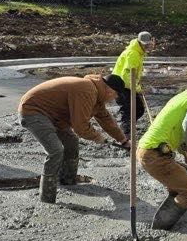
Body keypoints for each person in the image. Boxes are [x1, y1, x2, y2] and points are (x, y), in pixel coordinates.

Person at [18, 73, 129, 204]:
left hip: (54, 117)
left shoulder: (96, 94)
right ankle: (47, 197)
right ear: (109, 90)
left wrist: (124, 140)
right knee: (56, 151)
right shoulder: (87, 90)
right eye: (116, 95)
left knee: (71, 142)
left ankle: (68, 181)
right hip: (34, 112)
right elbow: (80, 127)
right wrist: (96, 136)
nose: (114, 99)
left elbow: (106, 120)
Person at [139, 74, 187, 230]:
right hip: (156, 155)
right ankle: (161, 227)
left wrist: (185, 152)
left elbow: (178, 129)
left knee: (180, 177)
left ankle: (172, 202)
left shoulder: (181, 97)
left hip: (145, 150)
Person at [112, 31, 156, 135]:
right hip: (121, 85)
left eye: (149, 44)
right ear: (139, 42)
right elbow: (127, 75)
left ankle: (129, 127)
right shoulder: (133, 54)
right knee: (128, 109)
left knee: (138, 109)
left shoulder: (139, 52)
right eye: (145, 45)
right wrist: (137, 89)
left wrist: (137, 85)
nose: (147, 46)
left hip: (127, 85)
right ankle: (126, 134)